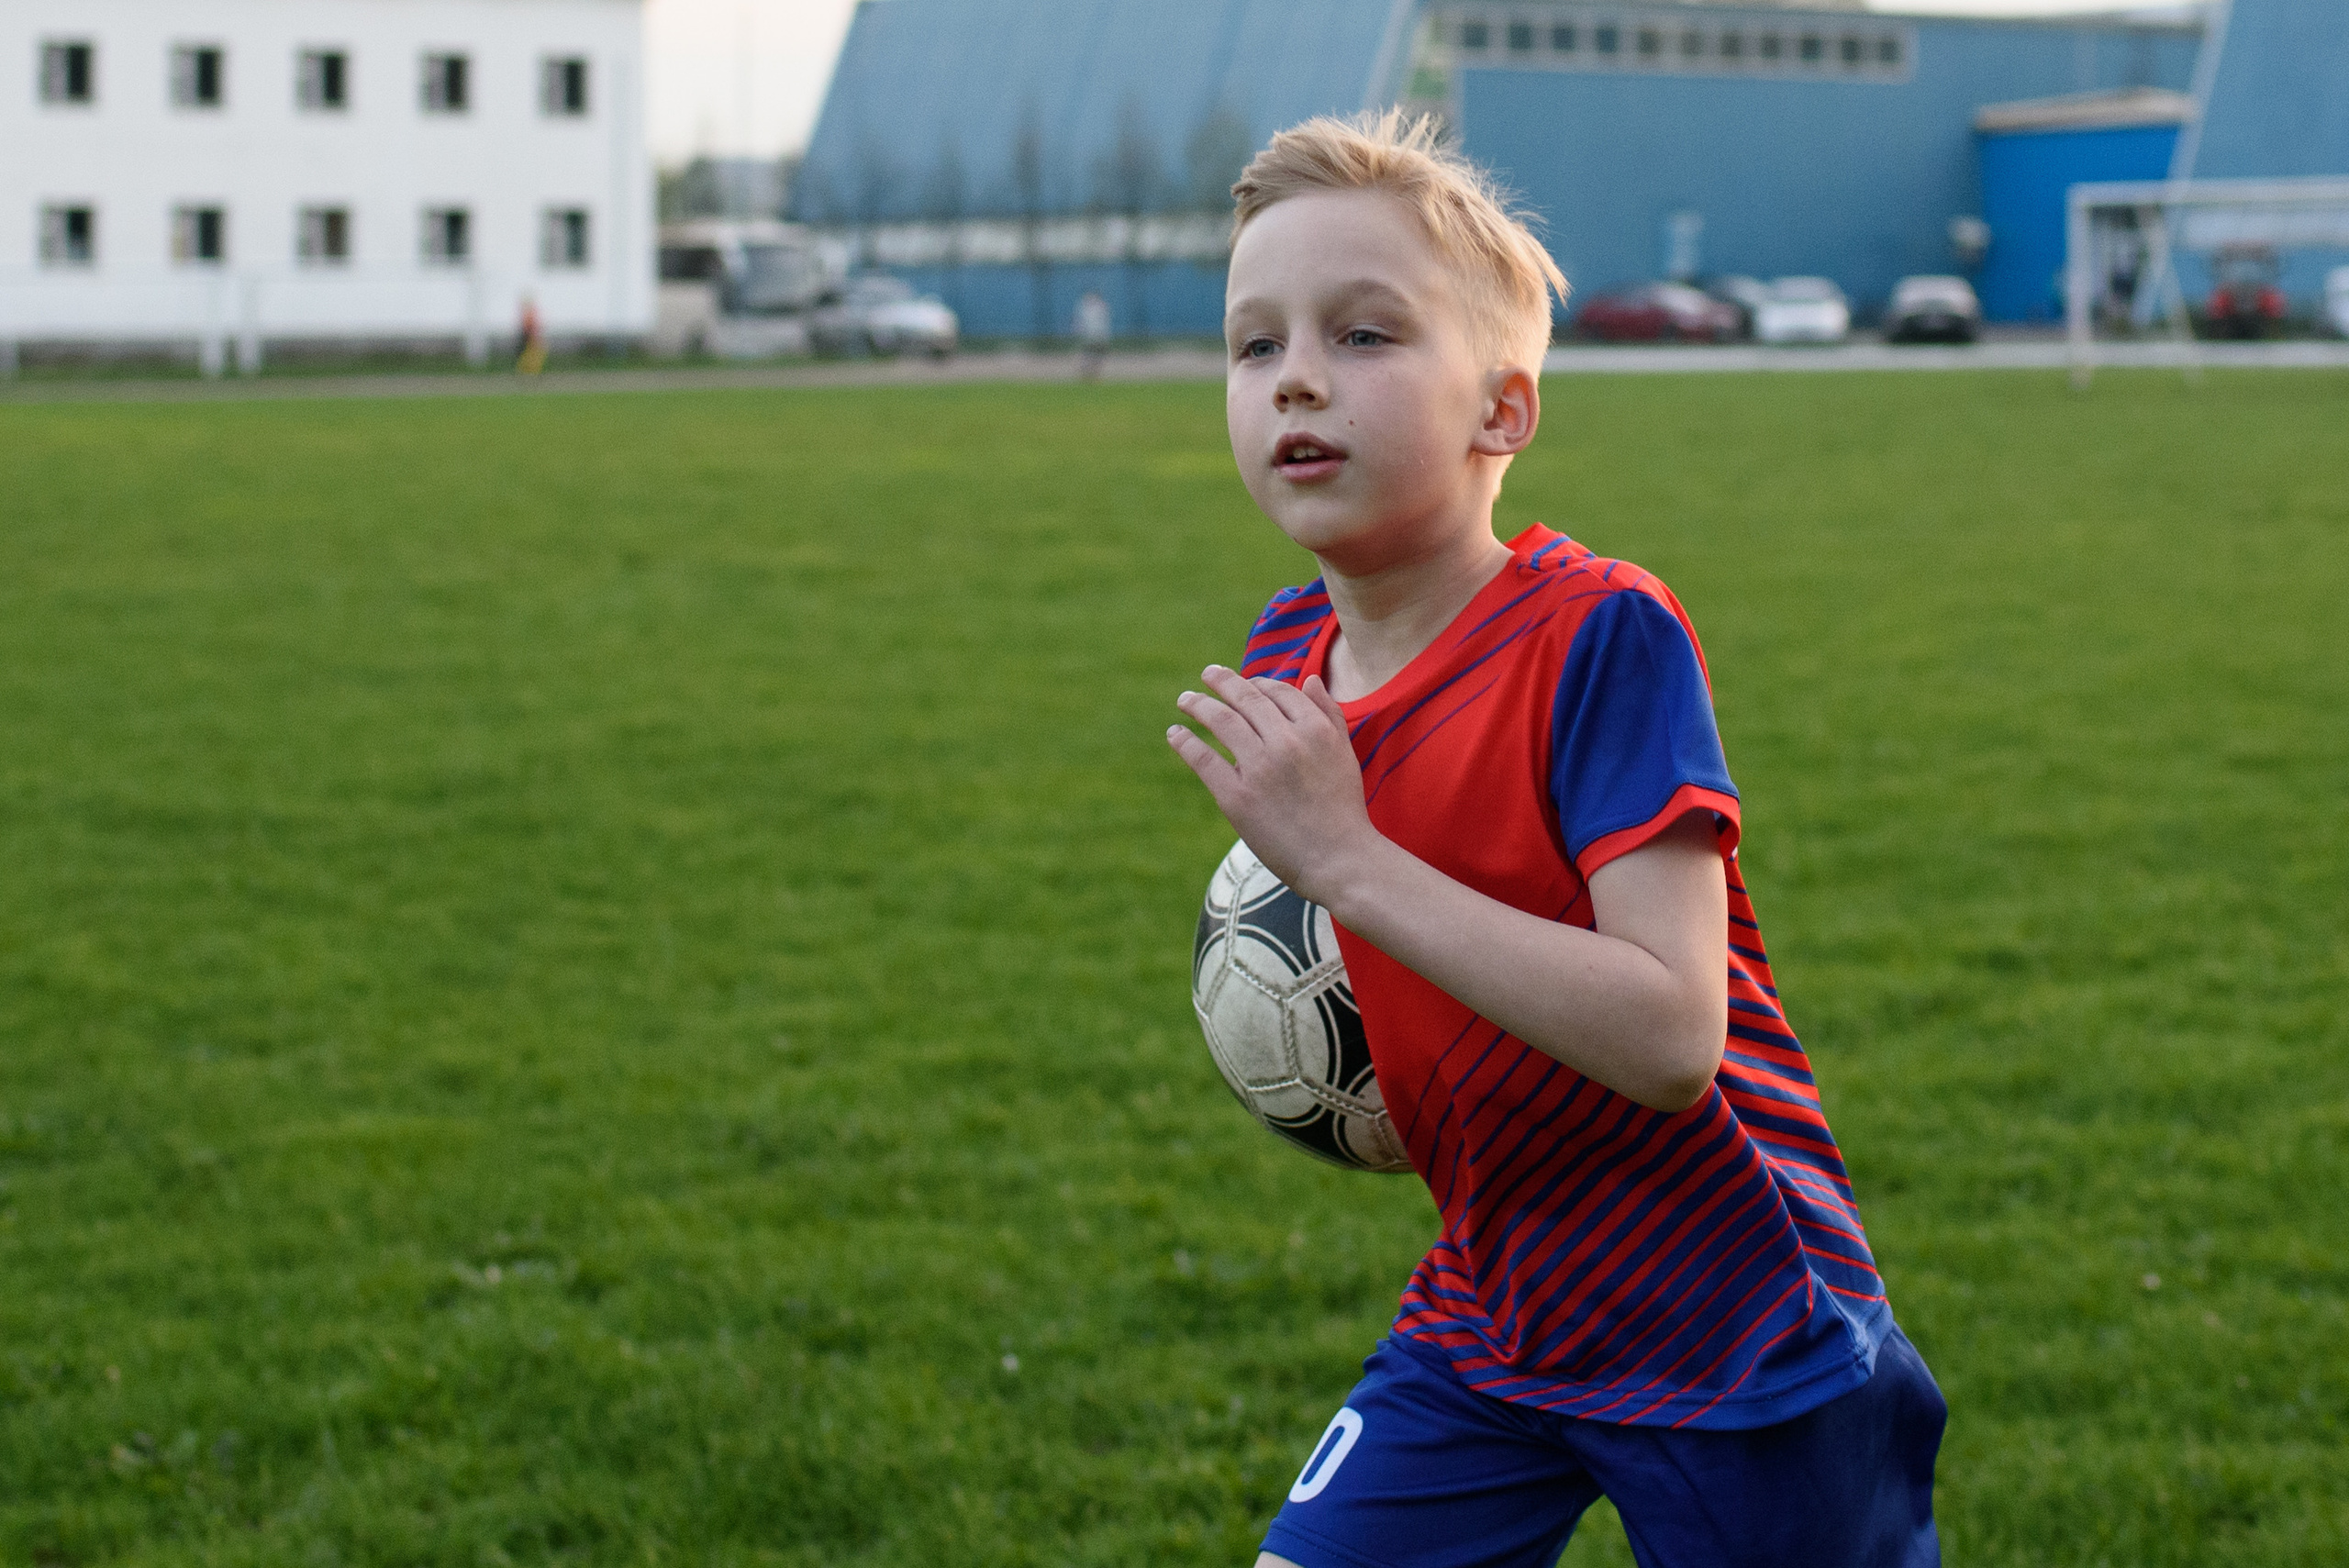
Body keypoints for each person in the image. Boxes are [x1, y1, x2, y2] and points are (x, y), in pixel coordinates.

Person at [1165, 112, 1944, 1568]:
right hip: (1496, 1298)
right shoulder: (1287, 660)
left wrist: (1346, 861)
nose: (1297, 381)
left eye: (1366, 335)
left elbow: (1668, 1036)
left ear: (1502, 413)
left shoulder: (1596, 636)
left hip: (1728, 1319)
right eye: (1253, 345)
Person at [1074, 289, 1111, 380]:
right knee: (1092, 355)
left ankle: (1090, 372)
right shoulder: (1098, 307)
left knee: (1094, 355)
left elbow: (1081, 323)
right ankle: (1089, 372)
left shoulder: (1095, 308)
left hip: (1096, 335)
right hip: (1094, 335)